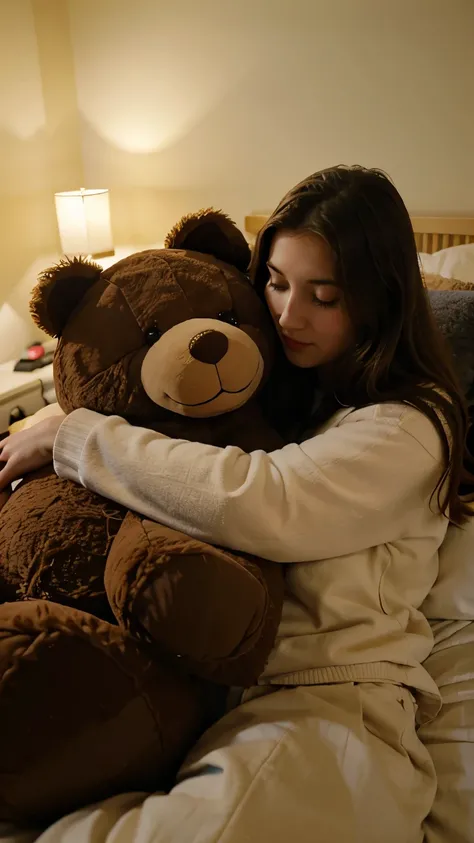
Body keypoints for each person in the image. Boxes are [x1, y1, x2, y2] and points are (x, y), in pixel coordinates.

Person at [0, 165, 472, 843]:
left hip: (332, 705)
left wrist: (75, 433)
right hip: (202, 698)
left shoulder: (409, 425)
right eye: (276, 283)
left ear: (380, 299)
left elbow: (265, 500)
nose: (287, 315)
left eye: (324, 295)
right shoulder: (284, 390)